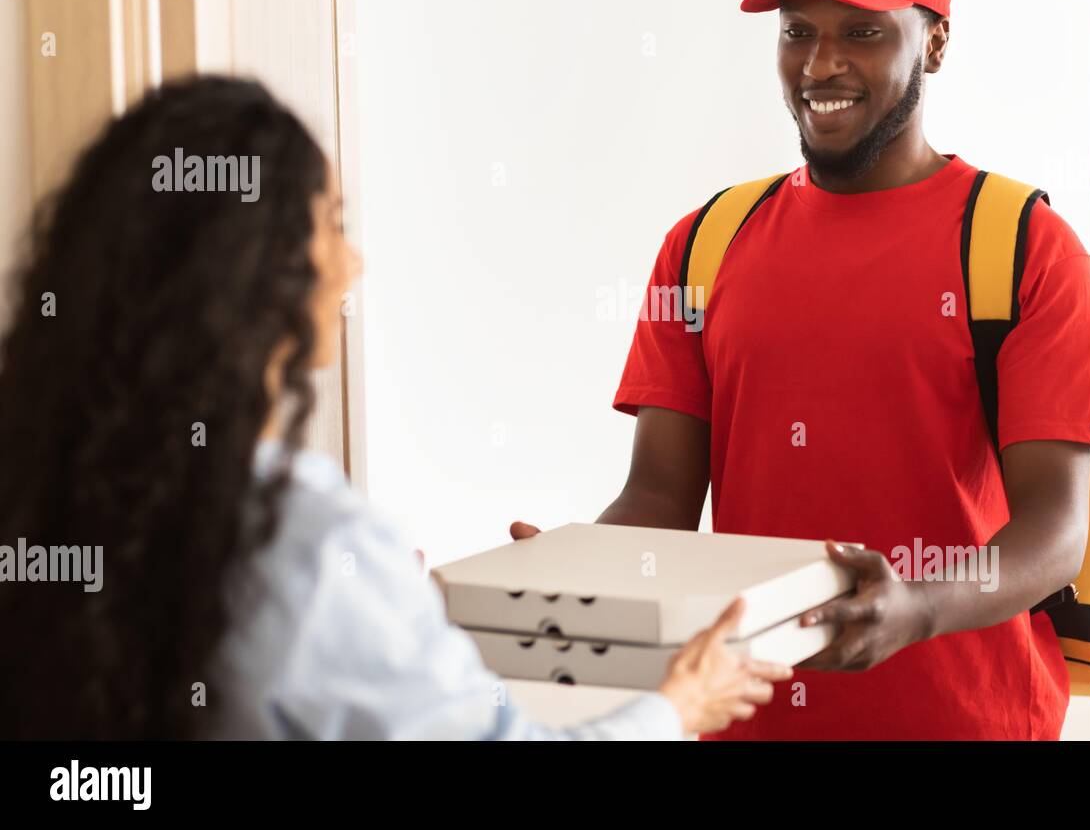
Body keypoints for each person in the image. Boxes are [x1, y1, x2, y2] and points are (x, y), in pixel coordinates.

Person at [0, 75, 790, 740]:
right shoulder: (303, 541)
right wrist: (678, 706)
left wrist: (401, 614)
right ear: (254, 269)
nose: (354, 262)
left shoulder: (57, 484)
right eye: (334, 224)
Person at [515, 0, 1090, 740]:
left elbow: (1054, 532)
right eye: (797, 31)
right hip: (740, 717)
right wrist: (575, 577)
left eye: (862, 31)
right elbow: (659, 496)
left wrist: (916, 607)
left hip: (965, 719)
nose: (821, 64)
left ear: (933, 41)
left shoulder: (1019, 244)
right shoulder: (704, 243)